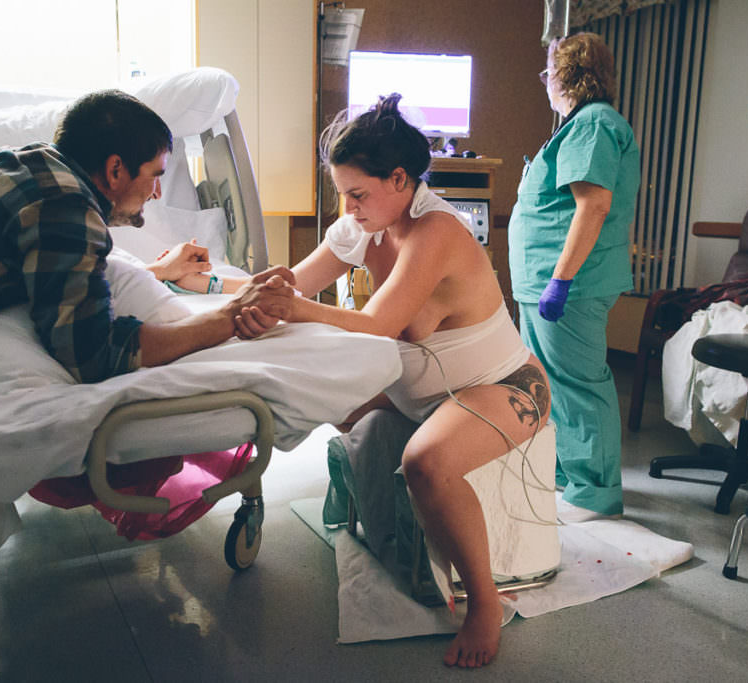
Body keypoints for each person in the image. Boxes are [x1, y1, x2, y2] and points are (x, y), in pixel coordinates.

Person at [0, 89, 293, 674]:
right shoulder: (67, 206)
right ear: (114, 170)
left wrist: (157, 272)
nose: (154, 193)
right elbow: (95, 353)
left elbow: (51, 276)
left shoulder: (28, 165)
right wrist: (224, 319)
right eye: (153, 175)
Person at [215, 93, 551, 669]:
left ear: (399, 179)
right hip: (419, 391)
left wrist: (294, 308)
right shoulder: (364, 224)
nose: (347, 207)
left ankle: (484, 604)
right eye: (341, 193)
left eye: (357, 193)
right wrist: (211, 289)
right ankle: (380, 516)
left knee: (426, 463)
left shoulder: (435, 231)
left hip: (505, 385)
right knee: (319, 399)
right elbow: (294, 283)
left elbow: (378, 324)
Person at [507, 32, 641, 522]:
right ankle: (568, 475)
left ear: (567, 75)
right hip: (544, 280)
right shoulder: (578, 126)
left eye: (549, 72)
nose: (546, 81)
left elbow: (594, 205)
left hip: (570, 285)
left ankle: (595, 492)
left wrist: (560, 281)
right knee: (552, 383)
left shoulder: (594, 124)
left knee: (579, 384)